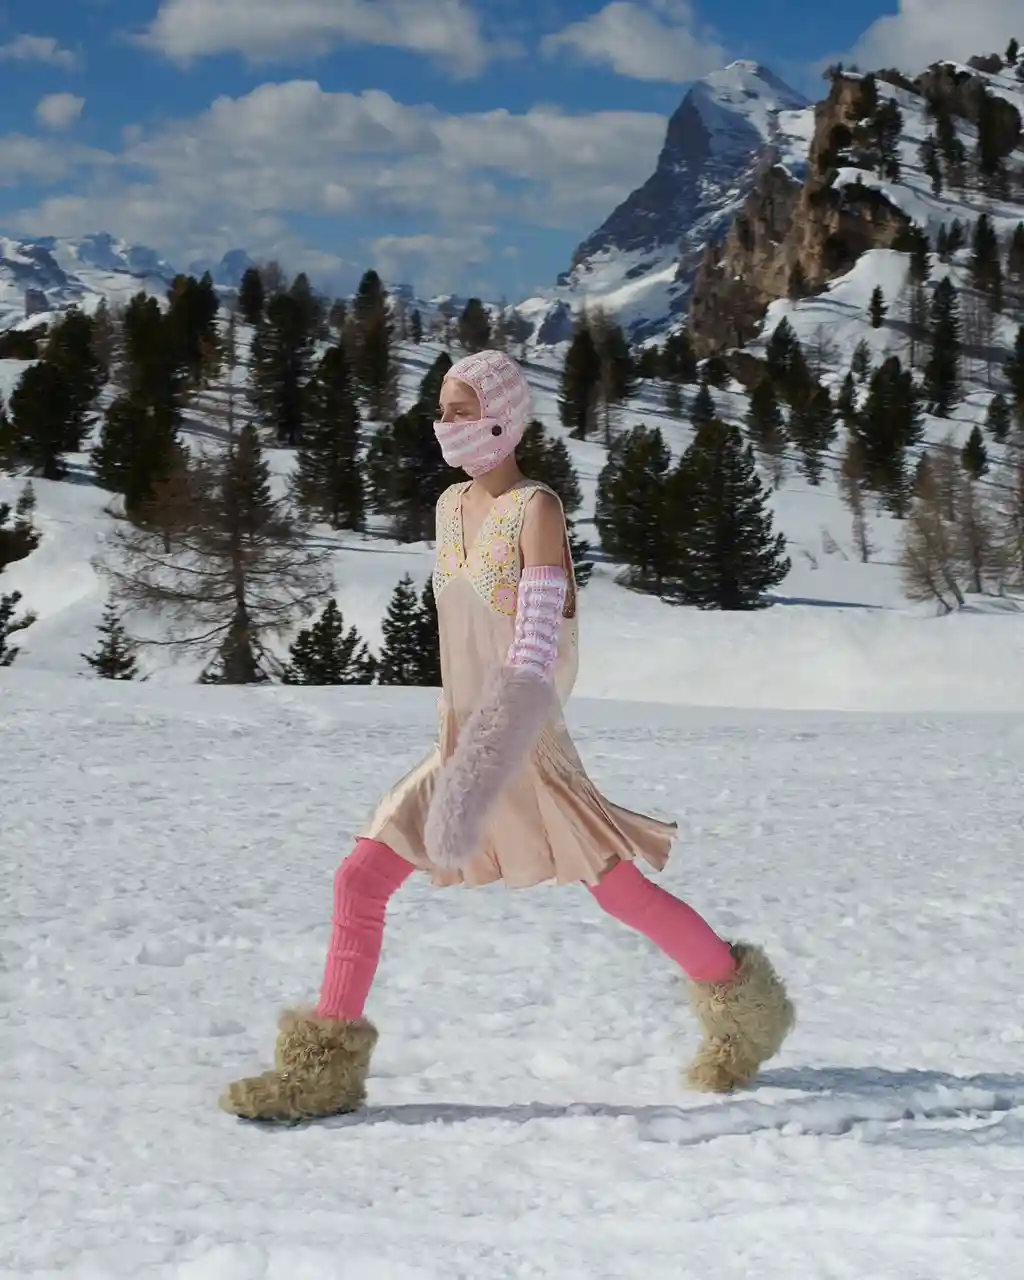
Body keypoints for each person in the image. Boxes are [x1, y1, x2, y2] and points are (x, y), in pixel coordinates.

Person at [220, 349, 794, 1122]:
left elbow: (534, 644)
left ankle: (746, 1016)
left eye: (460, 411)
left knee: (621, 892)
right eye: (441, 411)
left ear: (503, 418)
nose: (445, 424)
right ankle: (321, 1072)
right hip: (458, 742)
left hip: (520, 746)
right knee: (360, 879)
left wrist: (487, 757)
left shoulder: (537, 509)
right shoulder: (449, 507)